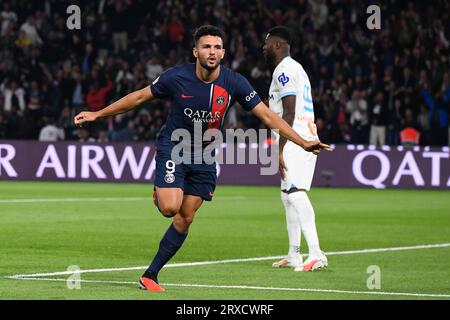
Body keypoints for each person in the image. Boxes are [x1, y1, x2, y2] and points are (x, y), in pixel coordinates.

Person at [74, 25, 330, 291]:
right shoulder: (176, 77)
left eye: (217, 47)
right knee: (170, 208)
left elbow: (268, 116)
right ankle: (161, 190)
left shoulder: (234, 82)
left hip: (206, 154)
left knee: (185, 217)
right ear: (195, 51)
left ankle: (150, 275)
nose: (212, 52)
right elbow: (139, 98)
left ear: (223, 53)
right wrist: (97, 114)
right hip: (175, 147)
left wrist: (302, 142)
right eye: (207, 47)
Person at [263, 26, 328, 272]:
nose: (263, 47)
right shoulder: (294, 68)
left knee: (295, 192)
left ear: (278, 45)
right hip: (300, 134)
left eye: (267, 43)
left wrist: (280, 148)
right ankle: (294, 254)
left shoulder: (285, 70)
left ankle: (316, 252)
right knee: (287, 195)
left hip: (296, 137)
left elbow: (289, 111)